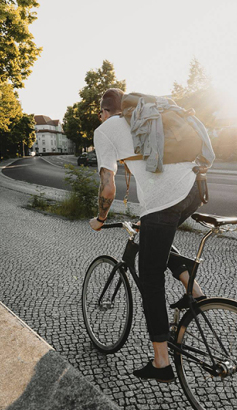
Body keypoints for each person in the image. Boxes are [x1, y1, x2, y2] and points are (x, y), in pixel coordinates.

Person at [89, 88, 207, 383]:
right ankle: (190, 283)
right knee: (154, 238)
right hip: (194, 190)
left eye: (100, 113)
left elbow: (108, 187)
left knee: (150, 276)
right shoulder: (144, 116)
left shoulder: (104, 130)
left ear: (104, 111)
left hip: (164, 200)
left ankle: (161, 362)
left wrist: (100, 218)